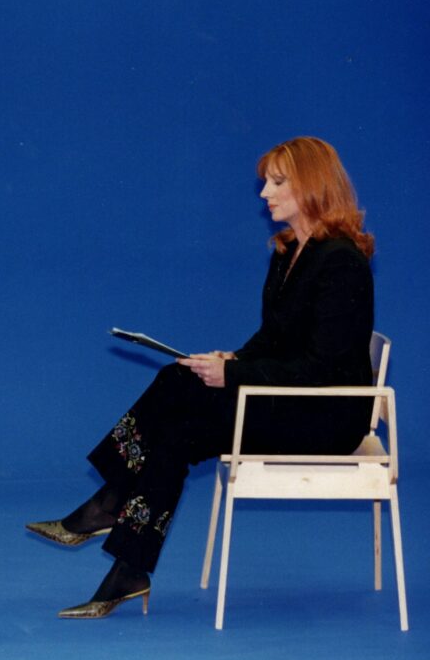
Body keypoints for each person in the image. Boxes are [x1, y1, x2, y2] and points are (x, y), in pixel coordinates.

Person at [26, 137, 375, 618]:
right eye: (266, 183)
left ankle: (108, 504)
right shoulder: (289, 252)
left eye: (277, 183)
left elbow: (322, 370)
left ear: (312, 185)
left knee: (178, 385)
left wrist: (233, 373)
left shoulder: (341, 262)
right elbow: (274, 338)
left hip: (325, 417)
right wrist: (234, 357)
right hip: (291, 401)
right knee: (177, 411)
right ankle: (129, 569)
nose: (264, 194)